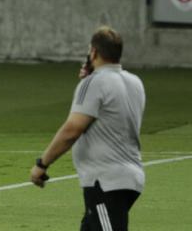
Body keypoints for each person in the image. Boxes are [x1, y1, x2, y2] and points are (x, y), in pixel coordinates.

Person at [30, 26, 145, 231]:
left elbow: (72, 129)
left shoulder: (94, 83)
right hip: (130, 176)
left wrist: (42, 163)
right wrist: (89, 80)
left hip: (105, 182)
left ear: (93, 52)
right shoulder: (134, 82)